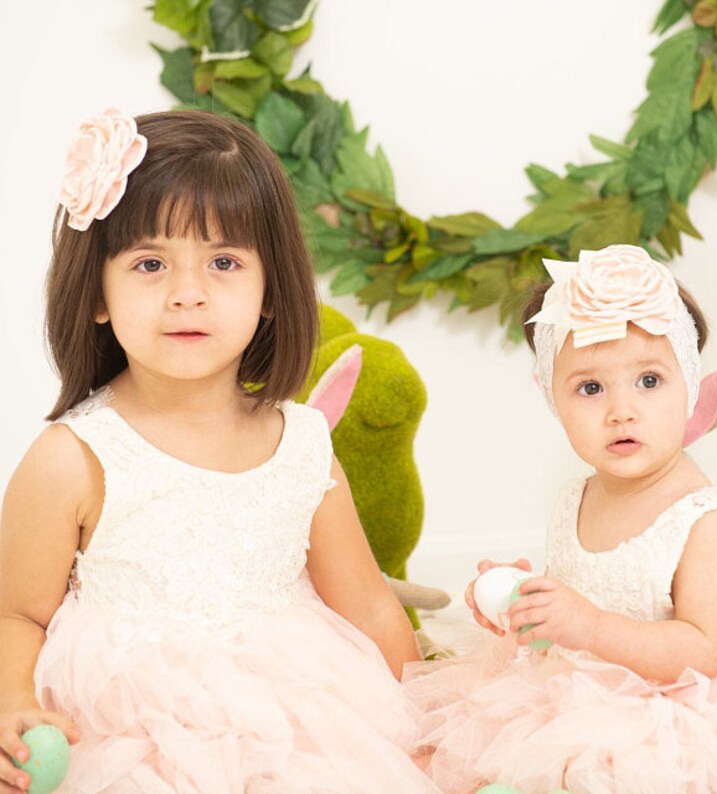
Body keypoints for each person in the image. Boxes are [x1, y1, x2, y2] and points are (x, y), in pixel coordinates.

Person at [0, 107, 440, 793]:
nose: (188, 294)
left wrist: (426, 730)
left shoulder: (301, 445)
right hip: (132, 732)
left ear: (270, 292)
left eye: (224, 262)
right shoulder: (73, 456)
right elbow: (17, 612)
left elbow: (369, 606)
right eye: (150, 263)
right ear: (97, 295)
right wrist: (12, 703)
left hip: (293, 718)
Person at [402, 245, 717, 793]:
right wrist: (527, 605)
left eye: (649, 381)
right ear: (553, 400)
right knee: (448, 762)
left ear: (690, 384)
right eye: (590, 388)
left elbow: (704, 652)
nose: (621, 411)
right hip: (574, 696)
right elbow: (575, 599)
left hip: (668, 722)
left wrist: (590, 626)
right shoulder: (576, 497)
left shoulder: (705, 521)